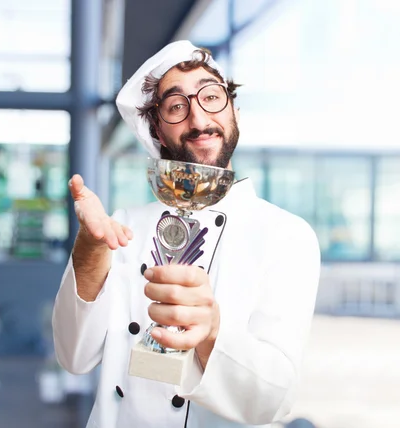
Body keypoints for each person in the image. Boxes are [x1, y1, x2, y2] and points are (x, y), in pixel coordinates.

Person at [52, 40, 321, 428]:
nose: (198, 120)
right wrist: (90, 249)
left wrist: (212, 333)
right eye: (177, 107)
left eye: (212, 97)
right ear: (158, 130)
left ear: (235, 114)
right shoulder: (124, 224)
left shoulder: (287, 236)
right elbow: (73, 357)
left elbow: (271, 403)